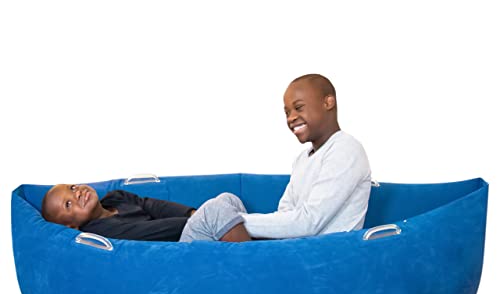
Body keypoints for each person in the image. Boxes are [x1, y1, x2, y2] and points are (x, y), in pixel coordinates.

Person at [239, 74, 371, 239]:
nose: (291, 118)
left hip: (324, 250)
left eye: (299, 107)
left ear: (328, 103)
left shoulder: (346, 149)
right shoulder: (302, 159)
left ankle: (215, 226)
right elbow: (285, 214)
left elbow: (309, 222)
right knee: (226, 202)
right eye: (287, 112)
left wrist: (235, 222)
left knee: (218, 215)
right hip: (294, 243)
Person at [41, 184, 251, 242]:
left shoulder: (116, 197)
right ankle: (251, 258)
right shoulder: (102, 231)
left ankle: (254, 238)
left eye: (72, 188)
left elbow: (151, 205)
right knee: (215, 210)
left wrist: (191, 212)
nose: (77, 193)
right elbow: (151, 230)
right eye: (68, 204)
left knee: (227, 198)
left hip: (186, 231)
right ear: (71, 226)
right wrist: (196, 219)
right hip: (177, 250)